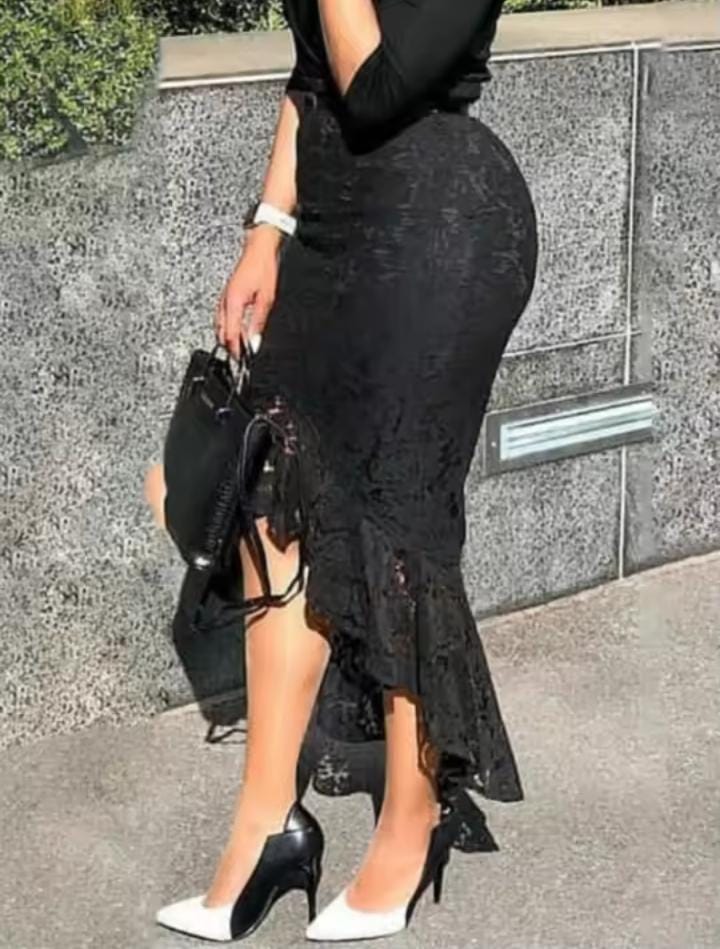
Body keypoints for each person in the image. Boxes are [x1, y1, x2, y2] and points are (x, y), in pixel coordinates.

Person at [154, 0, 538, 942]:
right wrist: (265, 231)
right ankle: (265, 828)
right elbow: (311, 74)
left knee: (401, 530)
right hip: (328, 230)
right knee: (274, 505)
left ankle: (411, 822)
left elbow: (373, 86)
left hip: (439, 233)